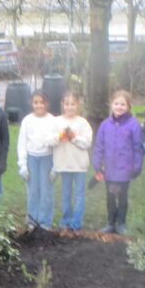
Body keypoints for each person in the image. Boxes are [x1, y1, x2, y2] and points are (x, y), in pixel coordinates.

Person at [92, 89, 144, 235]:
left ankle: (121, 223)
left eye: (123, 104)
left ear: (129, 106)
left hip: (125, 168)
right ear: (111, 104)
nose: (119, 107)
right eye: (116, 103)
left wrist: (136, 166)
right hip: (109, 168)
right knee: (110, 196)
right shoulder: (105, 125)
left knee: (122, 197)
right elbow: (99, 146)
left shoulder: (133, 125)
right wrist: (97, 164)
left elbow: (138, 148)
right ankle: (110, 223)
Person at [17, 91, 59, 229]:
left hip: (47, 158)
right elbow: (22, 144)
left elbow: (57, 144)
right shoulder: (27, 121)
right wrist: (23, 165)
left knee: (46, 190)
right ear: (31, 103)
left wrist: (55, 167)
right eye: (36, 102)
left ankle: (45, 221)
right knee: (33, 190)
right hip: (32, 159)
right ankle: (32, 220)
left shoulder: (52, 120)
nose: (39, 105)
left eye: (42, 102)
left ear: (46, 104)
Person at [53, 92, 93, 230]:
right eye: (67, 104)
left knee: (79, 194)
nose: (70, 107)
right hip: (64, 164)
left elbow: (87, 142)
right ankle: (66, 220)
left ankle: (76, 223)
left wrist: (74, 137)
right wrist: (61, 136)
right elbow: (50, 140)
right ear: (62, 105)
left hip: (79, 165)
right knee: (66, 194)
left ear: (78, 105)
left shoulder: (82, 123)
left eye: (73, 104)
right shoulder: (57, 121)